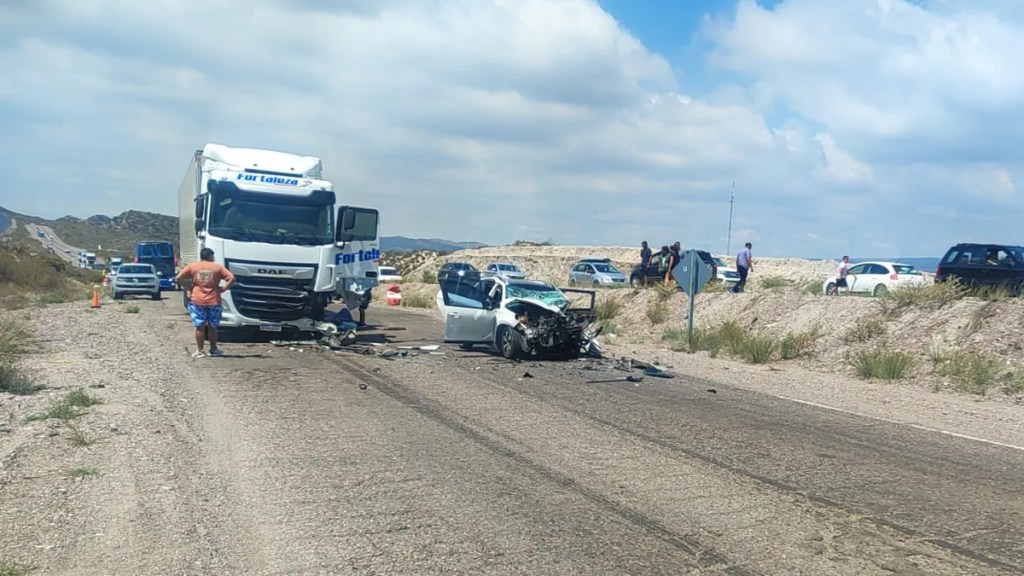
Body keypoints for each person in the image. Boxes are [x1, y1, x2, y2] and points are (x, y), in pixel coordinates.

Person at [175, 247, 235, 358]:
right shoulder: (217, 267)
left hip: (197, 300)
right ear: (210, 256)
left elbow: (179, 278)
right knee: (213, 326)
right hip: (214, 300)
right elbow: (231, 278)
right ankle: (213, 349)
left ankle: (200, 350)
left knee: (199, 326)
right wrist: (223, 289)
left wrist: (189, 287)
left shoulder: (193, 266)